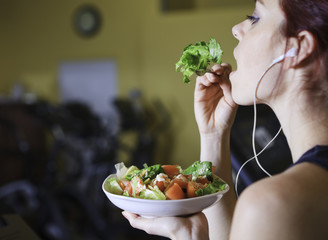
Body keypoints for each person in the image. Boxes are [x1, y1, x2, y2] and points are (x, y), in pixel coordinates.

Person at [122, 0, 328, 239]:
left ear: (300, 48)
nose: (236, 29)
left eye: (255, 18)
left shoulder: (274, 205)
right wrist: (214, 135)